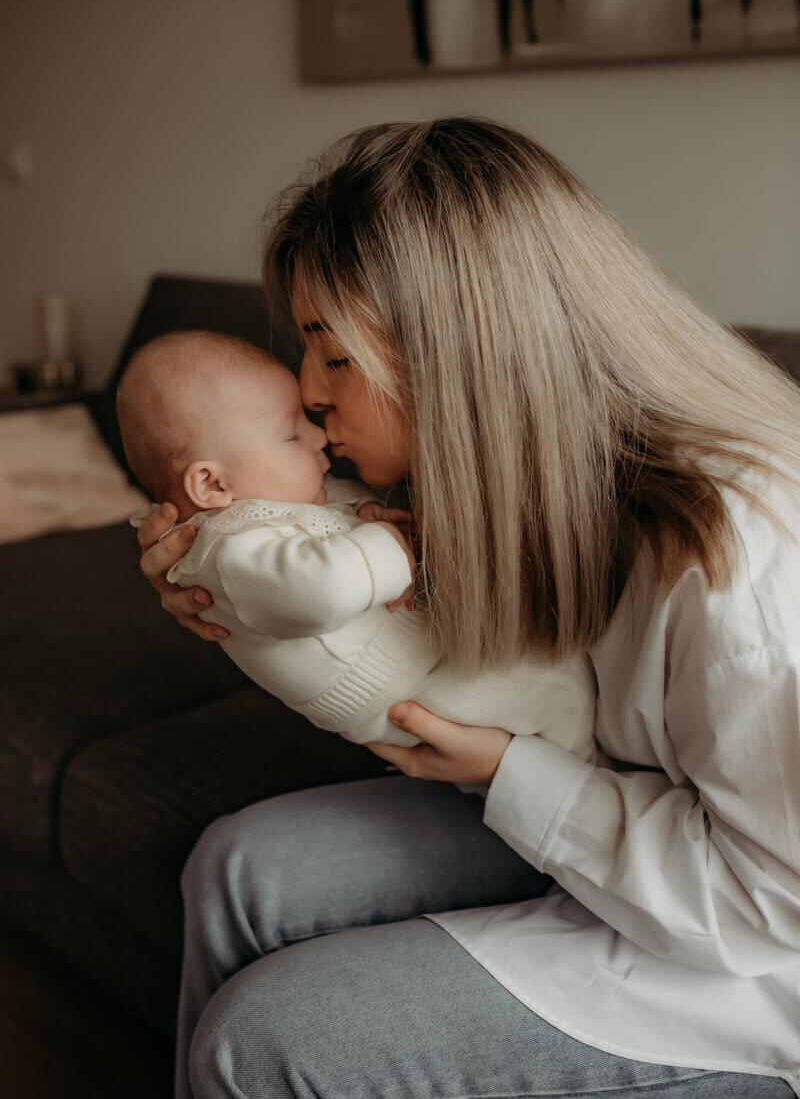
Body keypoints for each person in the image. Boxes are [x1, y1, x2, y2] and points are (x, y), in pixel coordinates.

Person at [136, 117, 800, 1099]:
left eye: (333, 355)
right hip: (622, 812)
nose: (310, 398)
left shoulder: (736, 548)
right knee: (236, 870)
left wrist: (503, 772)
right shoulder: (505, 473)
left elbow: (766, 901)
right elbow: (300, 544)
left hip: (742, 956)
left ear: (458, 348)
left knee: (261, 1041)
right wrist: (202, 558)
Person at [117, 330, 596, 750]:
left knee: (550, 683)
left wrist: (362, 518)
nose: (319, 435)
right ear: (213, 485)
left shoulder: (266, 506)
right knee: (554, 690)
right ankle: (580, 767)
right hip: (397, 689)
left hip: (416, 663)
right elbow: (316, 589)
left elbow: (322, 526)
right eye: (291, 436)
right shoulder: (227, 547)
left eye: (336, 358)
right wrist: (387, 541)